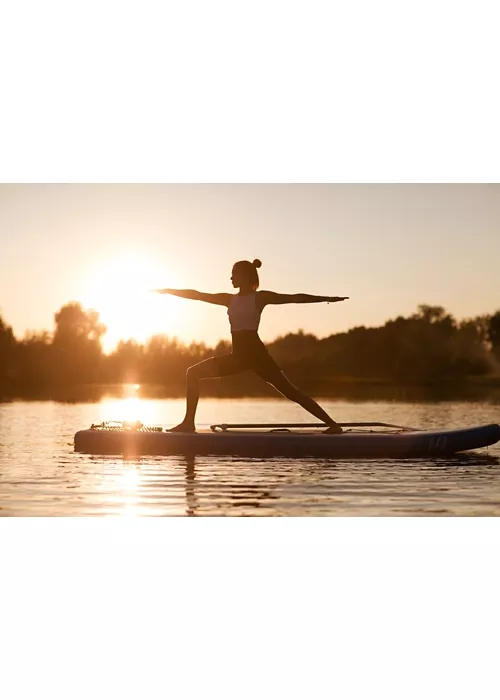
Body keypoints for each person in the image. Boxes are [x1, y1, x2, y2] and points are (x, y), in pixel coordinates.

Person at [154, 259, 349, 433]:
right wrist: (170, 291)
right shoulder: (228, 299)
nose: (230, 277)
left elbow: (294, 297)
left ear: (245, 275)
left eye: (234, 273)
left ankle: (333, 425)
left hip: (258, 357)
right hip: (237, 357)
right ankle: (188, 423)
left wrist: (326, 299)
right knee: (192, 373)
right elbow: (197, 295)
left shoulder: (260, 297)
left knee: (292, 393)